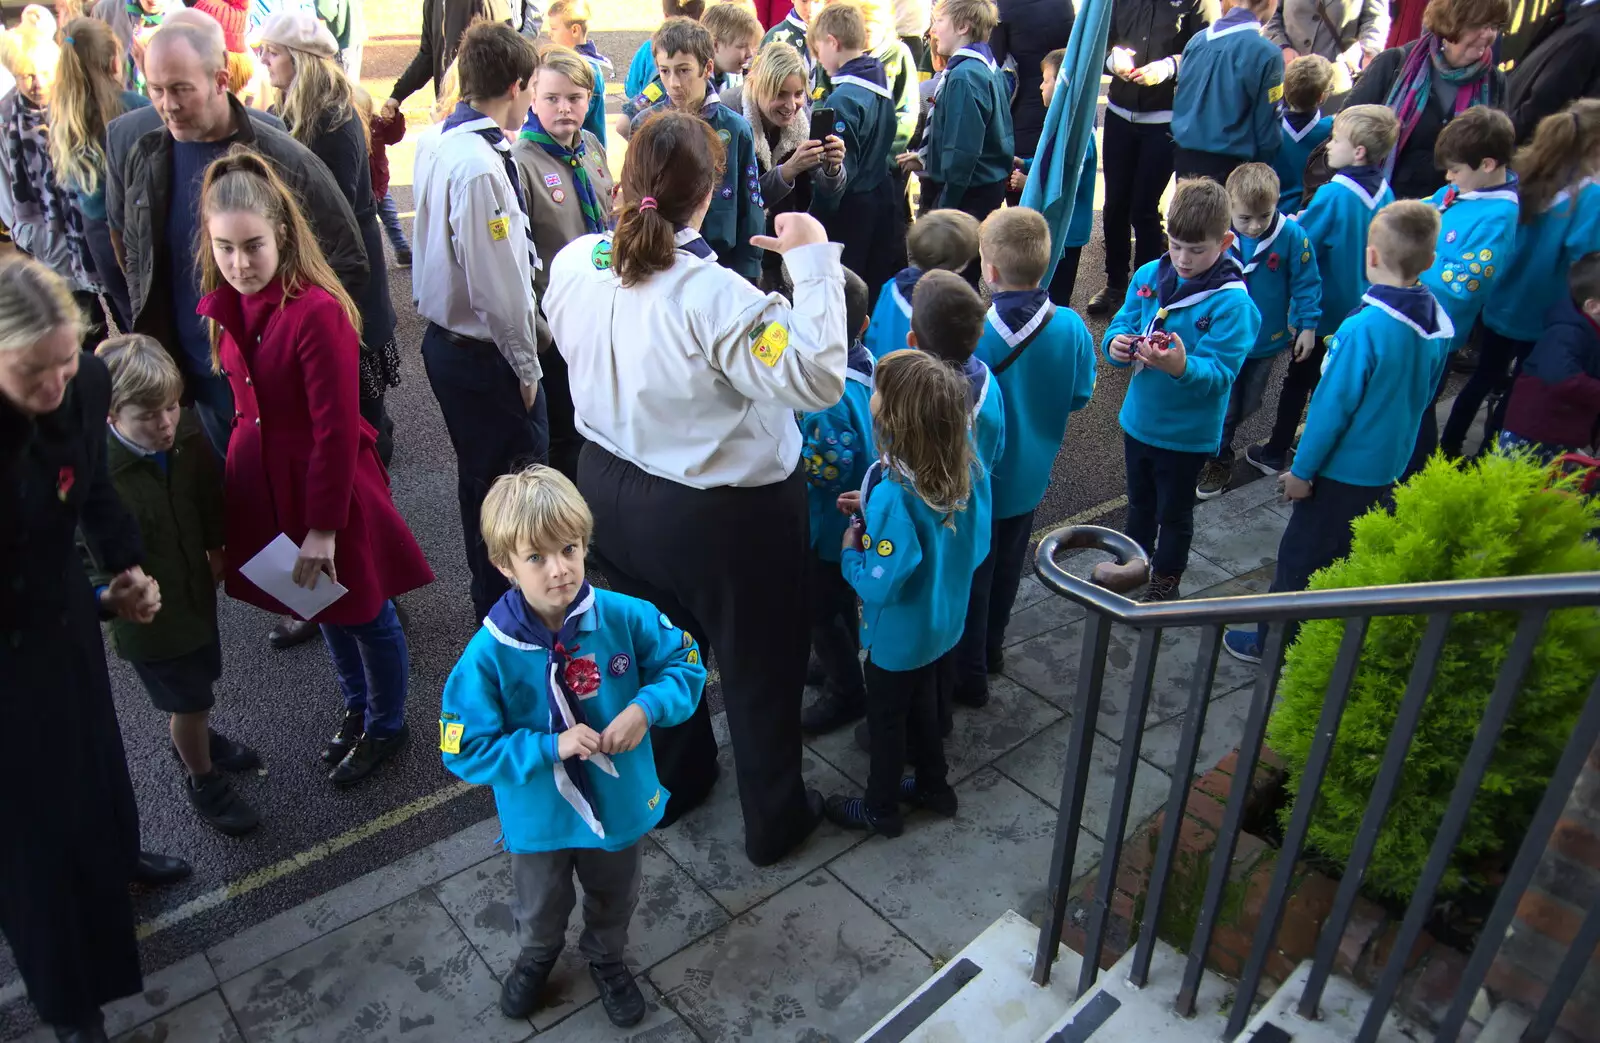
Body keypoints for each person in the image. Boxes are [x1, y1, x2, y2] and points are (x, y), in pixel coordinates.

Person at [543, 110, 848, 866]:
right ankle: (774, 817)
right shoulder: (715, 296)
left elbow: (560, 325)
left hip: (610, 492)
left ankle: (677, 782)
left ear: (624, 183)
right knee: (759, 664)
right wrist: (813, 265)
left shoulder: (578, 261)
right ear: (707, 194)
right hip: (722, 516)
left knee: (662, 653)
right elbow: (817, 377)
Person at [196, 149, 434, 785]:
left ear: (281, 234)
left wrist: (323, 528)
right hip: (270, 487)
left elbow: (333, 428)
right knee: (322, 607)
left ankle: (388, 724)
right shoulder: (229, 303)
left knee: (367, 614)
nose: (240, 264)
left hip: (326, 492)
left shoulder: (317, 312)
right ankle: (358, 709)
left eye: (252, 246)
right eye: (224, 248)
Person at [0, 257, 192, 1043]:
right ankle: (70, 1005)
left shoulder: (79, 385)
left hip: (62, 624)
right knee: (28, 832)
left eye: (66, 358)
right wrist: (91, 597)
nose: (57, 384)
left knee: (98, 754)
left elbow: (96, 494)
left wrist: (127, 567)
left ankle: (119, 858)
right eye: (31, 371)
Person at [440, 467, 705, 1027]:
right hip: (541, 819)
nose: (559, 569)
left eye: (568, 548)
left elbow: (685, 662)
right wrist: (548, 747)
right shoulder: (486, 657)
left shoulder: (624, 616)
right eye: (535, 557)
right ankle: (537, 957)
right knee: (539, 906)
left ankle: (606, 957)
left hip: (620, 803)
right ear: (503, 565)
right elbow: (463, 749)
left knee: (617, 893)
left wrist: (646, 707)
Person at [117, 13, 367, 461]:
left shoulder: (284, 158)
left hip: (280, 391)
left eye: (180, 89)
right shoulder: (146, 154)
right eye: (155, 90)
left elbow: (346, 263)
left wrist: (297, 355)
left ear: (219, 80)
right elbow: (138, 255)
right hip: (198, 382)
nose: (166, 104)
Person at [1224, 201, 1452, 663]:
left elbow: (1330, 411)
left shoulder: (1363, 328)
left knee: (1300, 561)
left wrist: (1302, 471)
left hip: (1340, 473)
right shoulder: (1437, 320)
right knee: (1345, 560)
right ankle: (1320, 642)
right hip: (1388, 466)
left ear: (1370, 257)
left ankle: (1274, 645)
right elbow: (1428, 393)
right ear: (1429, 261)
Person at [91, 333, 262, 836]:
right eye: (147, 416)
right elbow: (81, 554)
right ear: (110, 414)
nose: (165, 424)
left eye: (170, 407)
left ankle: (196, 735)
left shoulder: (183, 435)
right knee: (188, 698)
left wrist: (217, 548)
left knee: (202, 678)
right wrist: (115, 588)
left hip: (192, 592)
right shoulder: (95, 472)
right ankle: (202, 776)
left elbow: (207, 495)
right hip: (147, 621)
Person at [415, 23, 548, 625]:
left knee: (481, 478)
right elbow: (498, 287)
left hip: (451, 347)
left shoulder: (441, 144)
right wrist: (526, 367)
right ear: (516, 86)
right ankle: (508, 607)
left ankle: (494, 600)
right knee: (511, 484)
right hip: (483, 353)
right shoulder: (481, 169)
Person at [823, 347, 975, 836]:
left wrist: (851, 551)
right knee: (925, 707)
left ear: (896, 421)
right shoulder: (959, 468)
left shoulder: (894, 497)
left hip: (898, 640)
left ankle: (880, 808)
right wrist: (874, 505)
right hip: (941, 624)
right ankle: (935, 786)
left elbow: (879, 585)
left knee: (887, 720)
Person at [1095, 178, 1259, 601]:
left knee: (1174, 513)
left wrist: (1181, 367)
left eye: (1197, 249)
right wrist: (1115, 344)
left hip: (1187, 435)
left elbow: (1221, 373)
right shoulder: (1151, 273)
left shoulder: (1233, 304)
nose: (1183, 259)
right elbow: (1124, 323)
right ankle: (1133, 565)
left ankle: (1166, 580)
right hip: (1139, 421)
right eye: (1176, 245)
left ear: (1224, 242)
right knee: (1139, 504)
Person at [955, 207, 1095, 703]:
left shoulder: (973, 333)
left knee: (972, 575)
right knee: (1010, 567)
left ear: (988, 271)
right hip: (1031, 478)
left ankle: (967, 673)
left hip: (977, 483)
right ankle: (993, 650)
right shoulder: (1073, 327)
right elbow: (1081, 395)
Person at [257, 11, 400, 465]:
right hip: (329, 273)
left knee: (360, 406)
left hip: (345, 276)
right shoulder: (294, 110)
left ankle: (372, 487)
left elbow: (338, 216)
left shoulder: (330, 120)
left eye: (272, 52)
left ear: (301, 58)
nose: (262, 60)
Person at [1246, 104, 1396, 476]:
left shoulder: (1334, 195)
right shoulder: (1386, 191)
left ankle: (1275, 450)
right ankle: (1312, 442)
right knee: (1329, 385)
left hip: (1324, 308)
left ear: (1358, 151)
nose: (1329, 145)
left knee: (1297, 381)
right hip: (1358, 304)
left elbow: (1303, 240)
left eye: (1337, 139)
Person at [1445, 100, 1600, 455]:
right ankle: (1487, 456)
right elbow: (1585, 255)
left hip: (1503, 299)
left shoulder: (1530, 171)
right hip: (1542, 311)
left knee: (1482, 378)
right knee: (1519, 387)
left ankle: (1449, 447)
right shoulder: (1589, 196)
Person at [512, 45, 614, 482]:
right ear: (532, 97)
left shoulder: (590, 146)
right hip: (556, 321)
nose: (564, 108)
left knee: (605, 419)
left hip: (603, 311)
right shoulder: (521, 163)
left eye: (574, 98)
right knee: (566, 433)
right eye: (552, 97)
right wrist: (541, 332)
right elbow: (518, 257)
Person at [1197, 162, 1320, 499]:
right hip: (1221, 341)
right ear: (1230, 208)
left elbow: (1308, 283)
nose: (1254, 226)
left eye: (1263, 216)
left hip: (1265, 342)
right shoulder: (1219, 235)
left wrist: (1308, 325)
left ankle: (1217, 441)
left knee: (1250, 403)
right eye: (1245, 218)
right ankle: (1218, 458)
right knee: (1226, 405)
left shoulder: (1292, 236)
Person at [1085, 0, 1213, 317]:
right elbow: (1101, 42)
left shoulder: (1197, 3)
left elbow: (1207, 50)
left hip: (1164, 118)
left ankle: (1145, 292)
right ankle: (1115, 283)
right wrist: (1112, 58)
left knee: (1144, 209)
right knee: (1115, 204)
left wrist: (1169, 66)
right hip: (1119, 112)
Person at [1409, 106, 1517, 465]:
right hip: (1417, 314)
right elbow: (1429, 207)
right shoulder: (1465, 190)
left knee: (1419, 406)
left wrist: (1413, 255)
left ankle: (1416, 475)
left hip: (1440, 330)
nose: (1448, 178)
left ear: (1487, 164)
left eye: (1455, 170)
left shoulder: (1500, 216)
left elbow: (1468, 281)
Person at [619, 18, 764, 281]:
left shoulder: (735, 129)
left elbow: (750, 206)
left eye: (684, 70)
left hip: (722, 265)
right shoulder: (644, 124)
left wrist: (749, 272)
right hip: (661, 263)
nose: (674, 82)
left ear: (707, 68)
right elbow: (634, 194)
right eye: (665, 71)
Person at [798, 267, 875, 735]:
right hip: (859, 514)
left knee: (818, 607)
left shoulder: (827, 397)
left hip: (829, 523)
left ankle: (847, 691)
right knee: (841, 595)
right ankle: (837, 662)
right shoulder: (870, 363)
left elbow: (824, 471)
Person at [1341, 0, 1508, 201]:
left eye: (1494, 26)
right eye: (1479, 25)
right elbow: (1344, 131)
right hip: (1377, 207)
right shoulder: (1395, 63)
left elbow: (1497, 156)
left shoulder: (1494, 82)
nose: (1488, 34)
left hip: (1447, 218)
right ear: (1450, 22)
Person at [46, 19, 150, 334]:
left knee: (132, 321)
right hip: (138, 227)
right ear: (114, 61)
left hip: (97, 236)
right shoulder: (134, 108)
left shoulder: (62, 115)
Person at [0, 25, 103, 340]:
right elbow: (4, 184)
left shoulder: (77, 105)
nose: (37, 83)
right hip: (45, 236)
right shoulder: (6, 117)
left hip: (90, 226)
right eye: (26, 75)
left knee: (114, 307)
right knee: (74, 319)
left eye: (45, 72)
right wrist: (22, 230)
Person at [720, 40, 846, 292]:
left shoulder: (803, 119)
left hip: (786, 246)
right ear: (756, 86)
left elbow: (827, 197)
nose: (791, 105)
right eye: (780, 94)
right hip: (740, 251)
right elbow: (736, 201)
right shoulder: (730, 115)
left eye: (798, 94)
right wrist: (788, 171)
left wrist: (832, 170)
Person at [813, 1, 901, 299]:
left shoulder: (842, 100)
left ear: (832, 42)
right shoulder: (879, 80)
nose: (818, 58)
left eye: (818, 49)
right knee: (873, 281)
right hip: (882, 191)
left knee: (847, 289)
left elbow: (838, 171)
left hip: (852, 206)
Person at [899, 0, 1013, 229]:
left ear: (962, 26)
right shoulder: (987, 65)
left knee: (958, 262)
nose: (933, 29)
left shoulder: (964, 76)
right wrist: (929, 157)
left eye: (939, 21)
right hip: (983, 187)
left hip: (967, 196)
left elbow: (963, 150)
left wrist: (945, 206)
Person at [1009, 47, 1098, 306]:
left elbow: (1069, 181)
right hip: (1059, 227)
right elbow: (1048, 164)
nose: (1040, 87)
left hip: (1066, 232)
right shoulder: (1061, 124)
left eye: (1046, 80)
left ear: (1063, 84)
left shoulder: (1077, 135)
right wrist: (1025, 163)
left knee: (1055, 295)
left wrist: (1029, 183)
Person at [1500, 251, 1600, 462]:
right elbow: (1561, 377)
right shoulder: (1566, 332)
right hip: (1534, 434)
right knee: (1518, 490)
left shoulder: (1589, 327)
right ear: (1593, 306)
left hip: (1563, 432)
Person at [1171, 0, 1284, 183]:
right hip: (1232, 168)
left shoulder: (1196, 40)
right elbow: (1267, 130)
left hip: (1185, 158)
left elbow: (1181, 99)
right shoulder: (1267, 53)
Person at [863, 207, 978, 358]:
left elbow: (872, 335)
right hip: (923, 378)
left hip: (885, 372)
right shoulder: (951, 308)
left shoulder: (891, 286)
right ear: (961, 264)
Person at [383, 0, 511, 121]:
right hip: (448, 112)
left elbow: (502, 58)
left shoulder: (487, 3)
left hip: (479, 115)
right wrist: (398, 95)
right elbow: (428, 55)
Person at [1504, 0, 1600, 144]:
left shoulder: (1588, 33)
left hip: (1513, 146)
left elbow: (1543, 103)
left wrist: (1497, 138)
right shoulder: (1574, 12)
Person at [991, 0, 1072, 162]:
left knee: (1021, 174)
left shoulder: (1003, 6)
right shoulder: (1065, 4)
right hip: (1062, 101)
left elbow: (994, 59)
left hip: (1022, 110)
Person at [1265, 0, 1388, 104]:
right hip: (1285, 71)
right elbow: (1269, 12)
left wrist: (1370, 50)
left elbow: (1375, 17)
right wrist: (1282, 46)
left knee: (1331, 129)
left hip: (1334, 77)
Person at [1272, 54, 1334, 213]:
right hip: (1312, 213)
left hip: (1271, 212)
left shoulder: (1269, 126)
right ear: (1321, 97)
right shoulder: (1333, 131)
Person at [545, 0, 610, 147]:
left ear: (574, 30)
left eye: (554, 28)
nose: (549, 34)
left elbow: (571, 117)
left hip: (584, 154)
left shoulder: (584, 70)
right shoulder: (581, 64)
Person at [624, 0, 705, 98]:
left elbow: (631, 90)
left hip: (651, 109)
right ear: (701, 15)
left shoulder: (648, 47)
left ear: (665, 15)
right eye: (665, 71)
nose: (674, 84)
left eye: (684, 70)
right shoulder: (707, 47)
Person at [702, 0, 763, 89]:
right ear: (715, 45)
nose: (749, 54)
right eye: (741, 46)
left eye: (751, 47)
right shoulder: (696, 83)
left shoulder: (733, 75)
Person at [761, 0, 814, 75]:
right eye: (804, 1)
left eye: (816, 1)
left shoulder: (831, 33)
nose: (810, 8)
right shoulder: (775, 37)